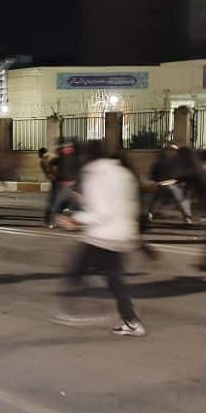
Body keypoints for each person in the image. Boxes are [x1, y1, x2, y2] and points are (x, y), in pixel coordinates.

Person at [54, 142, 146, 337]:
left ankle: (73, 311)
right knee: (114, 279)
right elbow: (123, 204)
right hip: (122, 235)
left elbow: (102, 212)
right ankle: (131, 321)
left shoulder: (94, 173)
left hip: (102, 236)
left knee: (77, 271)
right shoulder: (123, 173)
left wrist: (74, 219)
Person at [147, 145, 192, 224]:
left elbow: (153, 177)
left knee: (156, 198)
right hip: (169, 185)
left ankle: (149, 214)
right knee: (182, 198)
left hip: (167, 185)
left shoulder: (162, 163)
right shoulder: (170, 163)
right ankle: (187, 217)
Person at [39, 147, 58, 225]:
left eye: (38, 153)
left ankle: (48, 220)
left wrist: (52, 177)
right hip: (61, 179)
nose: (38, 155)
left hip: (56, 180)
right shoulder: (53, 156)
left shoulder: (43, 160)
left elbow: (48, 171)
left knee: (52, 200)